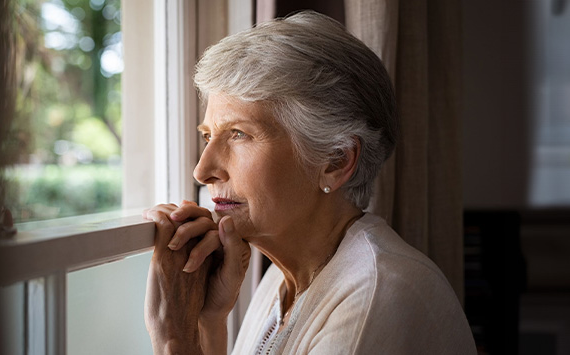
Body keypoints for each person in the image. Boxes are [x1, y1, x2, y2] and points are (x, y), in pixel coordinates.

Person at [142, 10, 476, 355]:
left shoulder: (377, 296)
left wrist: (174, 339)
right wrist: (208, 322)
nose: (203, 170)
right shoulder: (281, 281)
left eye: (239, 134)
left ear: (336, 161)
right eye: (208, 136)